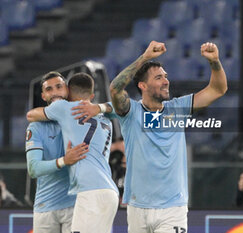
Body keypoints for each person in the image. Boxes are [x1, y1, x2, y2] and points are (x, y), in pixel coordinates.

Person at [109, 40, 227, 232]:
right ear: (142, 86)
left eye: (165, 76)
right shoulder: (130, 112)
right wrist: (145, 57)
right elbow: (115, 88)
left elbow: (218, 89)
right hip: (137, 207)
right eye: (158, 78)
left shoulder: (178, 108)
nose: (166, 81)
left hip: (172, 208)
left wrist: (215, 62)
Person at [27, 73, 119, 233]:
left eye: (59, 87)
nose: (55, 92)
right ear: (43, 96)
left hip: (76, 203)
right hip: (46, 206)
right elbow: (34, 169)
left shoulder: (73, 112)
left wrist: (98, 107)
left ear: (68, 90)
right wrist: (63, 161)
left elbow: (125, 109)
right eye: (49, 89)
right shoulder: (37, 127)